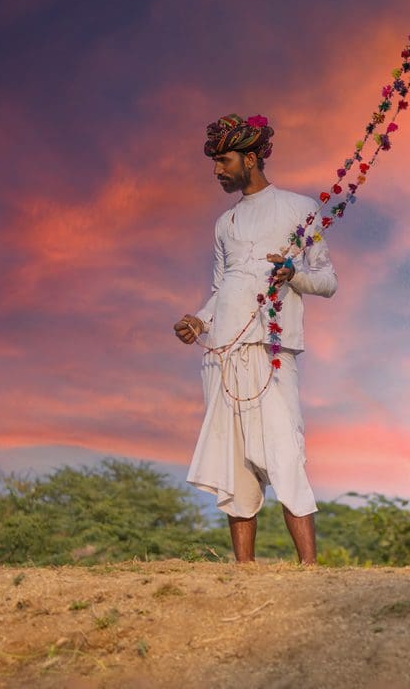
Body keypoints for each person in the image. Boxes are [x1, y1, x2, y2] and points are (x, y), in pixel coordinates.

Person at [174, 113, 337, 565]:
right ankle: (243, 573)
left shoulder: (298, 208)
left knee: (284, 452)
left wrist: (294, 275)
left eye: (223, 160)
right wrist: (199, 322)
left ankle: (309, 569)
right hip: (221, 355)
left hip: (271, 349)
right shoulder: (223, 224)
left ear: (250, 158)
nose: (216, 170)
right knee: (235, 459)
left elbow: (328, 279)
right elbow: (221, 289)